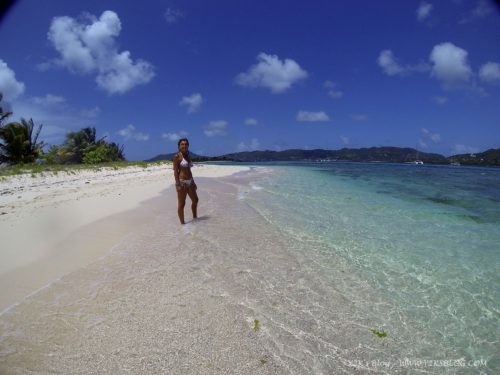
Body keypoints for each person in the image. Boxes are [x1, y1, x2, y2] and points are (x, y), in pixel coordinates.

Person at [173, 138, 198, 224]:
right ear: (179, 146)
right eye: (182, 144)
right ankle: (182, 224)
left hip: (190, 182)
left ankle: (195, 218)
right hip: (182, 182)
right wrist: (177, 184)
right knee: (182, 204)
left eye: (186, 144)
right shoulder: (177, 157)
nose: (184, 146)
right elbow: (175, 171)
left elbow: (189, 170)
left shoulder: (188, 156)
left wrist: (193, 182)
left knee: (195, 200)